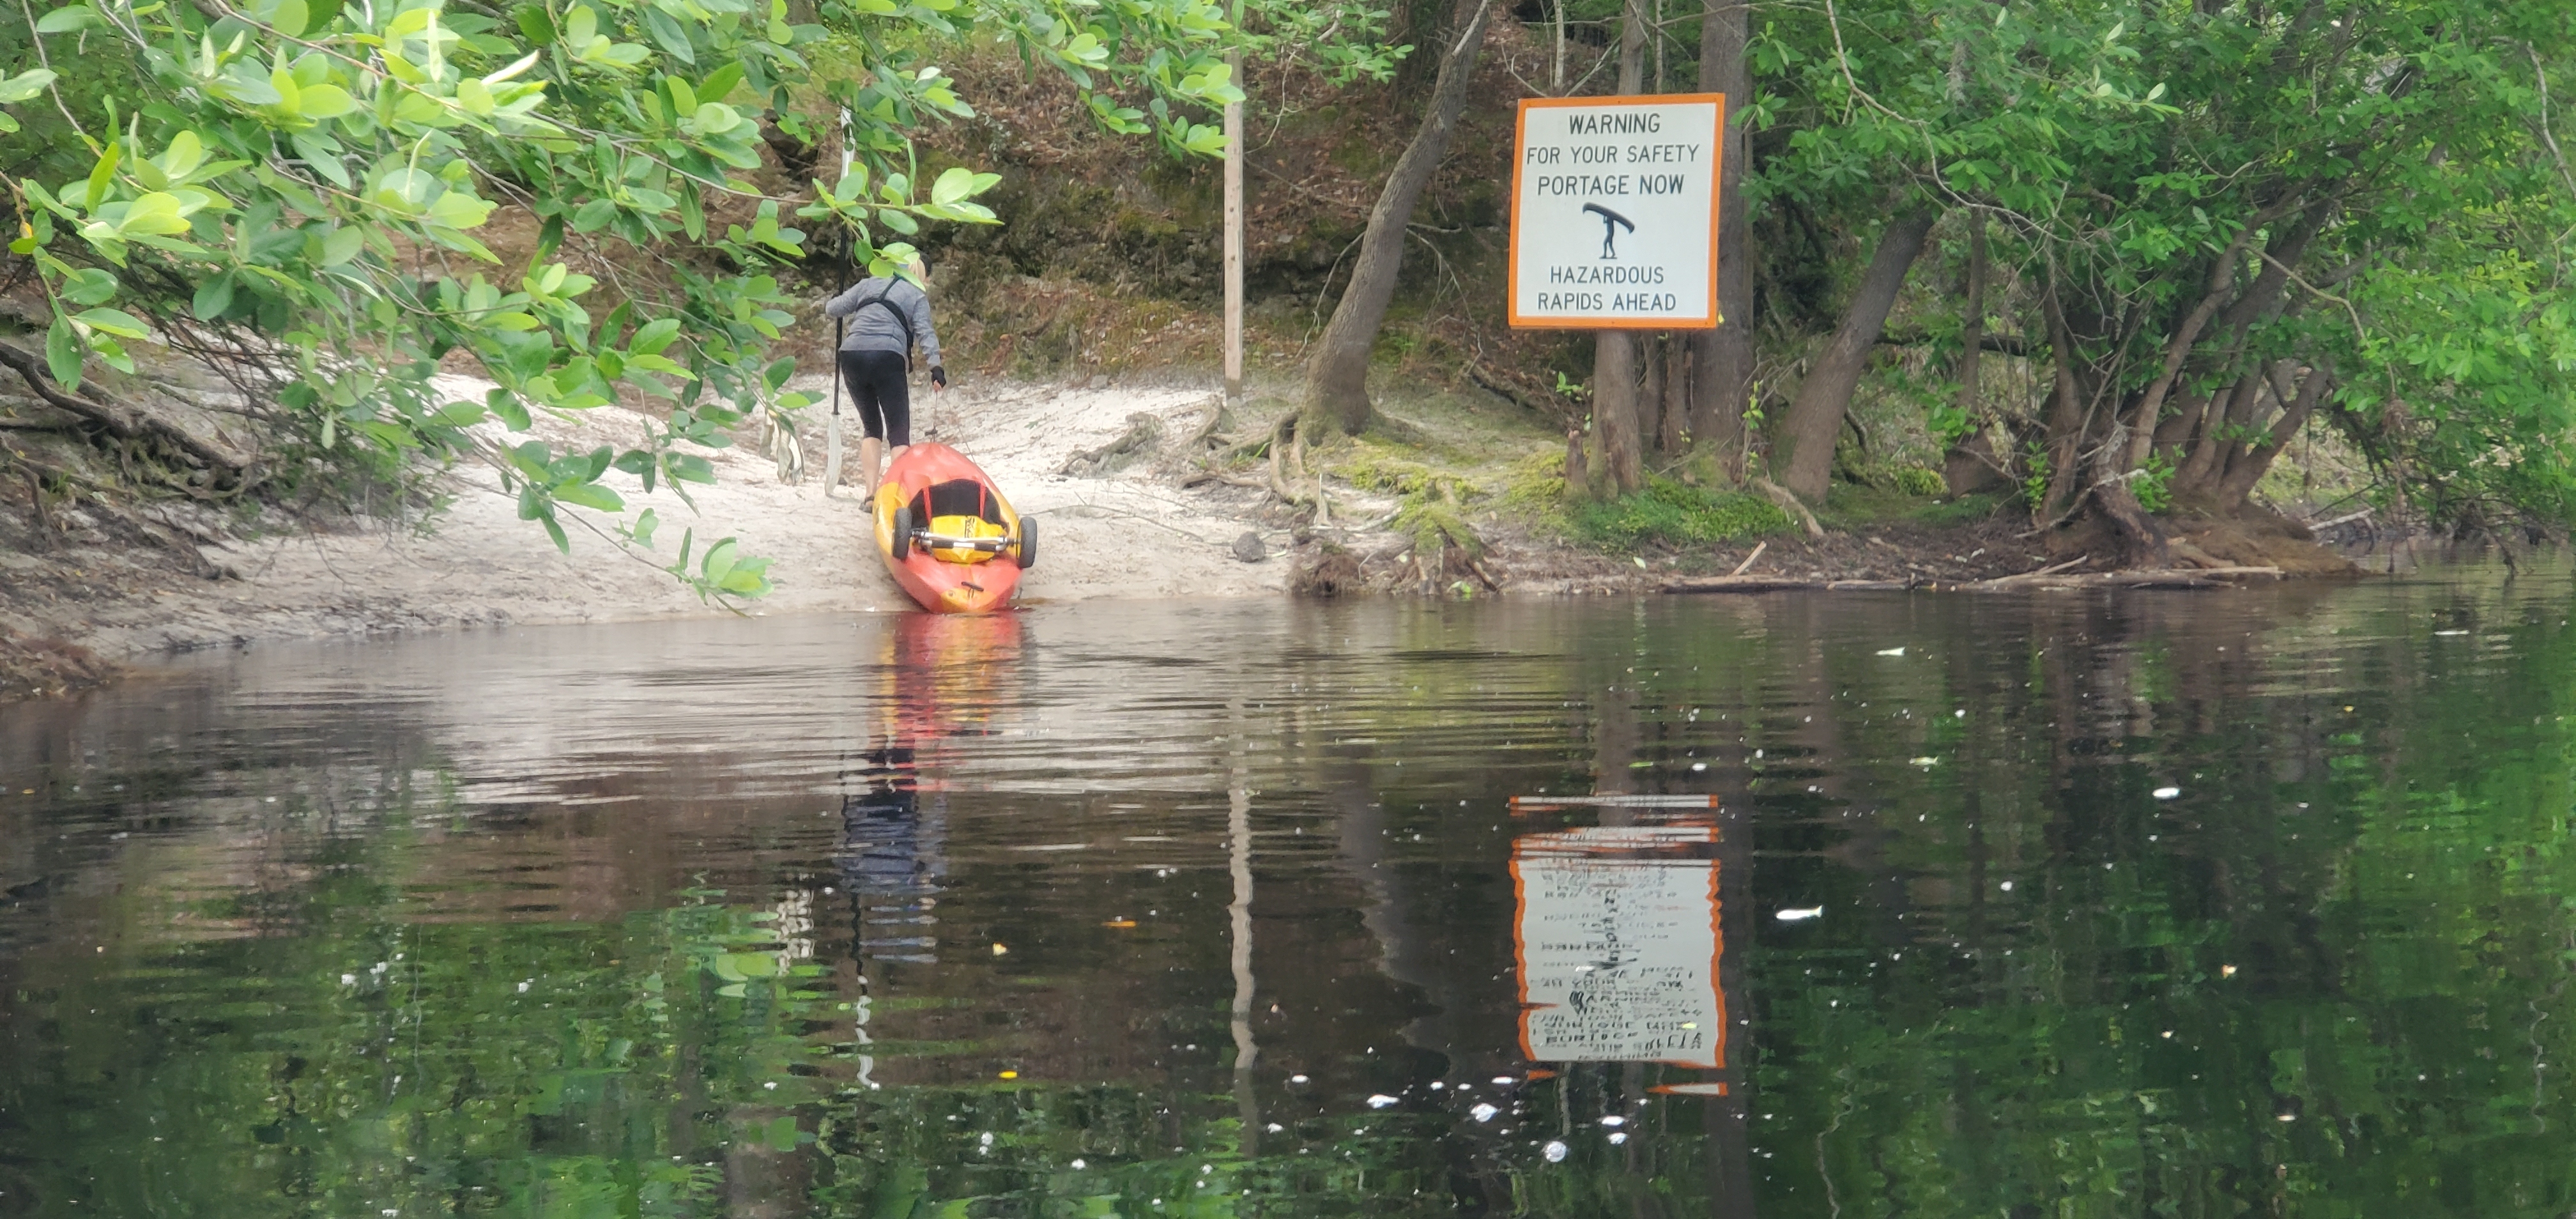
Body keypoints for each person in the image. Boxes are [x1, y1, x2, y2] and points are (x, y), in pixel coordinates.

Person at [822, 254, 946, 494]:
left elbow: (832, 309)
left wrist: (839, 296)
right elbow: (925, 333)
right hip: (887, 357)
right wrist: (936, 368)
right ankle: (895, 496)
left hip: (851, 356)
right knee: (899, 435)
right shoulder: (916, 295)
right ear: (923, 276)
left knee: (872, 428)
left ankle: (870, 494)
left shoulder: (869, 283)